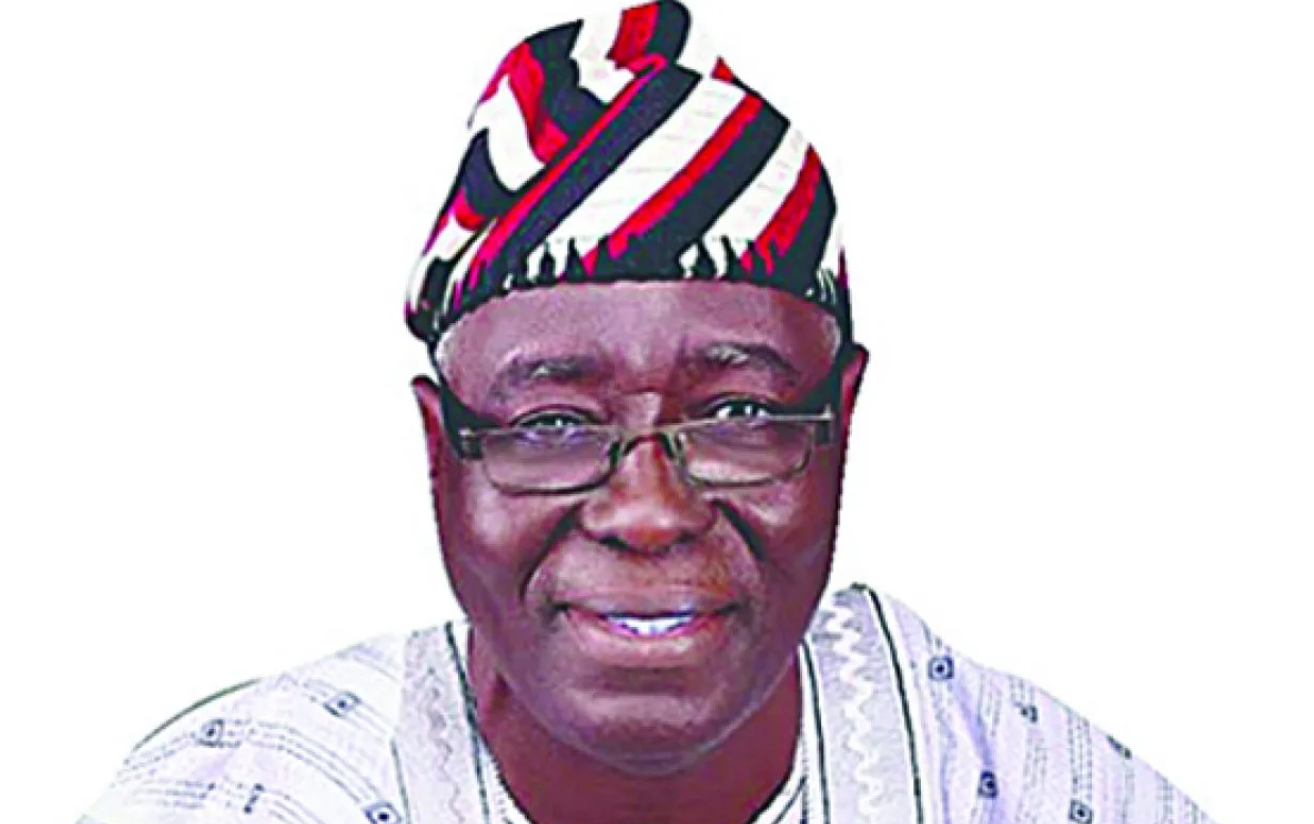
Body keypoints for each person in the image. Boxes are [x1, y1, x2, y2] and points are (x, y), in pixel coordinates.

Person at [80, 2, 1215, 822]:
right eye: (551, 424)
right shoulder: (264, 795)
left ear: (841, 426)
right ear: (440, 452)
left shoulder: (1001, 778)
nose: (650, 510)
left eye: (738, 411)